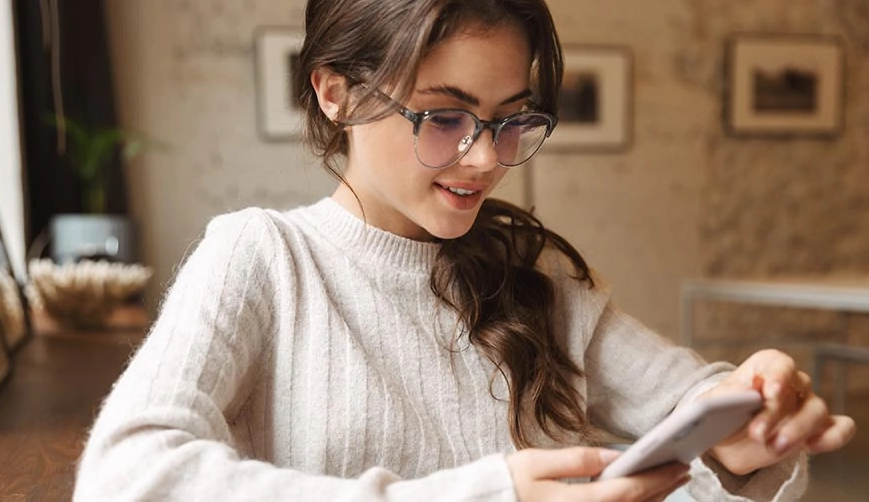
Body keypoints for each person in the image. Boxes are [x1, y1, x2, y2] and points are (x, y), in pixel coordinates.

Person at [74, 0, 856, 500]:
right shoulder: (263, 259)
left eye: (511, 118)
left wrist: (749, 444)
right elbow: (123, 480)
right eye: (443, 118)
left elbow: (698, 409)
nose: (485, 160)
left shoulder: (537, 280)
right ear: (333, 90)